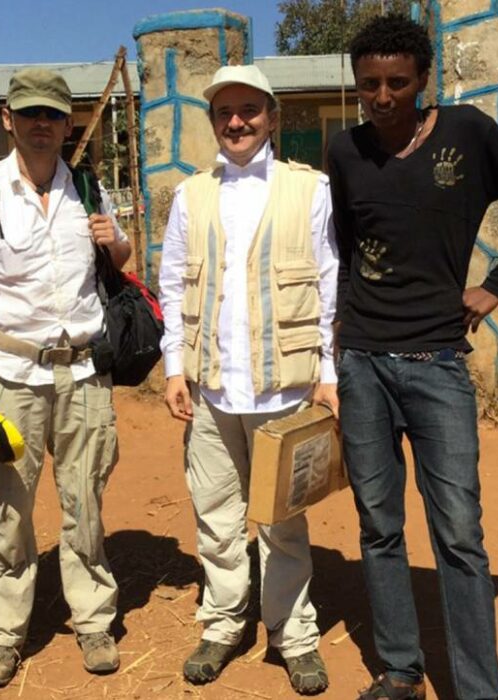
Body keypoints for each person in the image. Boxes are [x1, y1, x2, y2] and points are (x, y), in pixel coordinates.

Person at [326, 15, 498, 700]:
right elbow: (347, 248)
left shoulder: (467, 133)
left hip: (436, 364)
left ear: (424, 80)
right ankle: (401, 670)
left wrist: (497, 287)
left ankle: (478, 688)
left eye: (398, 82)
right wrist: (340, 331)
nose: (383, 96)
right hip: (363, 364)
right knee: (379, 525)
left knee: (458, 533)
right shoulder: (344, 151)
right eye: (369, 83)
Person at [0, 67, 131, 689]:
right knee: (9, 508)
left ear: (69, 123)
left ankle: (93, 619)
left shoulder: (89, 188)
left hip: (84, 372)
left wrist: (115, 242)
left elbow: (121, 261)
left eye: (52, 114)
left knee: (85, 501)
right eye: (30, 114)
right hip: (9, 372)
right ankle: (4, 634)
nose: (41, 124)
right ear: (8, 119)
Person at [158, 64, 339, 696]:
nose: (236, 123)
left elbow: (329, 284)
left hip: (284, 387)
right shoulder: (191, 195)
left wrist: (328, 372)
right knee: (216, 514)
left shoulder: (308, 189)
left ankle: (293, 634)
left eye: (249, 111)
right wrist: (174, 367)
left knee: (282, 522)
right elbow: (173, 282)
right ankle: (224, 621)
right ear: (213, 121)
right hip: (211, 389)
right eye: (224, 112)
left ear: (272, 117)